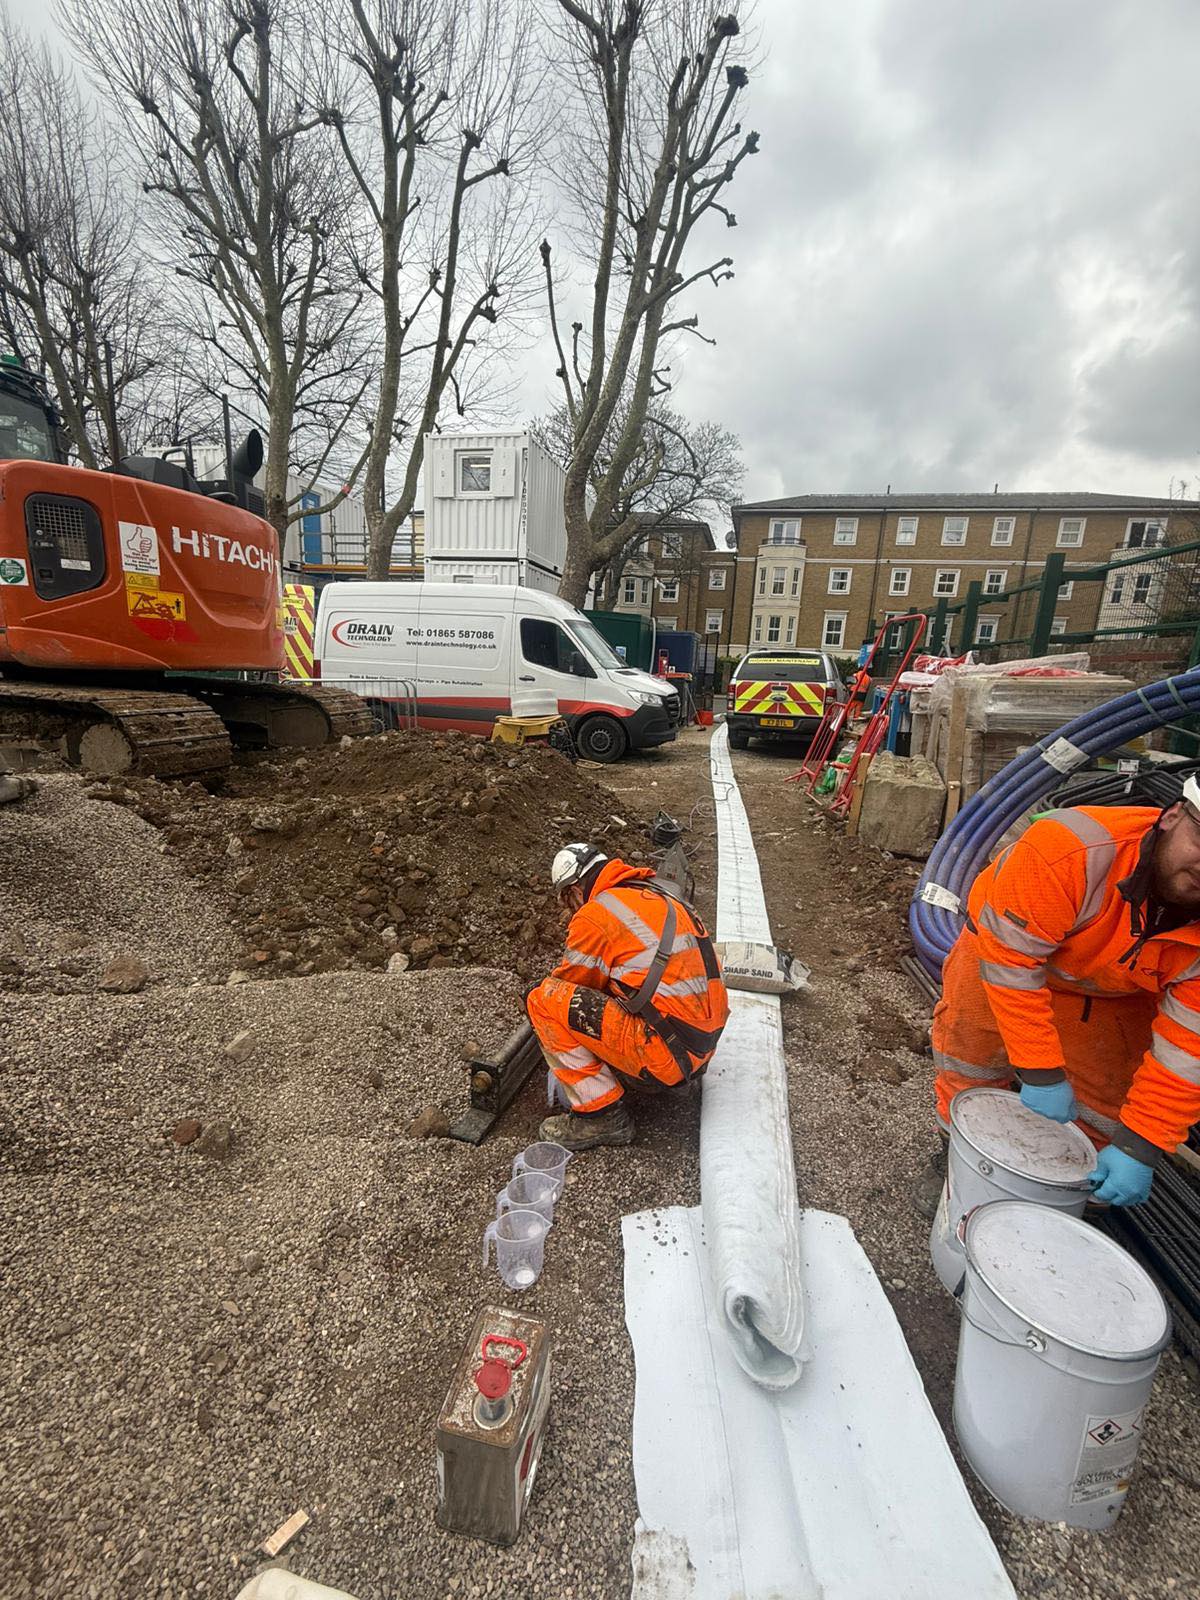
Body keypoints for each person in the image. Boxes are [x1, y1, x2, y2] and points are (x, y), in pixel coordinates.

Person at [922, 783, 1200, 1215]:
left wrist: (1141, 1144)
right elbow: (1011, 965)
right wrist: (1042, 1073)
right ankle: (957, 1160)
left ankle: (1072, 1192)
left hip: (1117, 990)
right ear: (1173, 816)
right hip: (1002, 959)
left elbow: (1188, 1049)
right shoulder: (1070, 849)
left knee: (1108, 1100)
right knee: (971, 1058)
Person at [527, 843, 729, 1151]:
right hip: (700, 1050)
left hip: (668, 1056)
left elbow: (576, 987)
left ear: (575, 889)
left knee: (544, 1000)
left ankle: (601, 1115)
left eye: (567, 901)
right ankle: (668, 1083)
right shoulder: (661, 895)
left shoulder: (596, 914)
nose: (571, 911)